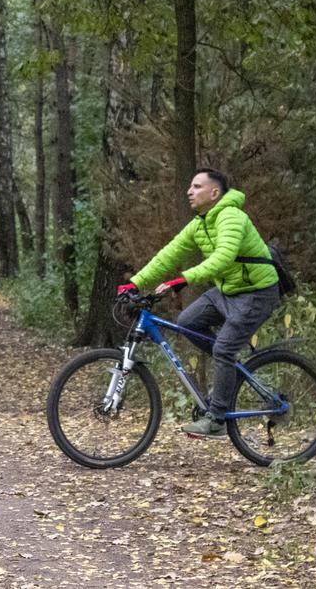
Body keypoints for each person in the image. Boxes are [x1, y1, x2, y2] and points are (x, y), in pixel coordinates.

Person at [117, 168, 280, 438]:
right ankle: (230, 375)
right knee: (187, 322)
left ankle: (217, 420)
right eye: (190, 186)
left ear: (214, 193)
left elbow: (224, 257)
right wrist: (135, 282)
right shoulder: (200, 223)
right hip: (228, 291)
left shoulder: (232, 216)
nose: (189, 191)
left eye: (196, 186)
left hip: (257, 292)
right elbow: (168, 255)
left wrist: (182, 280)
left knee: (224, 350)